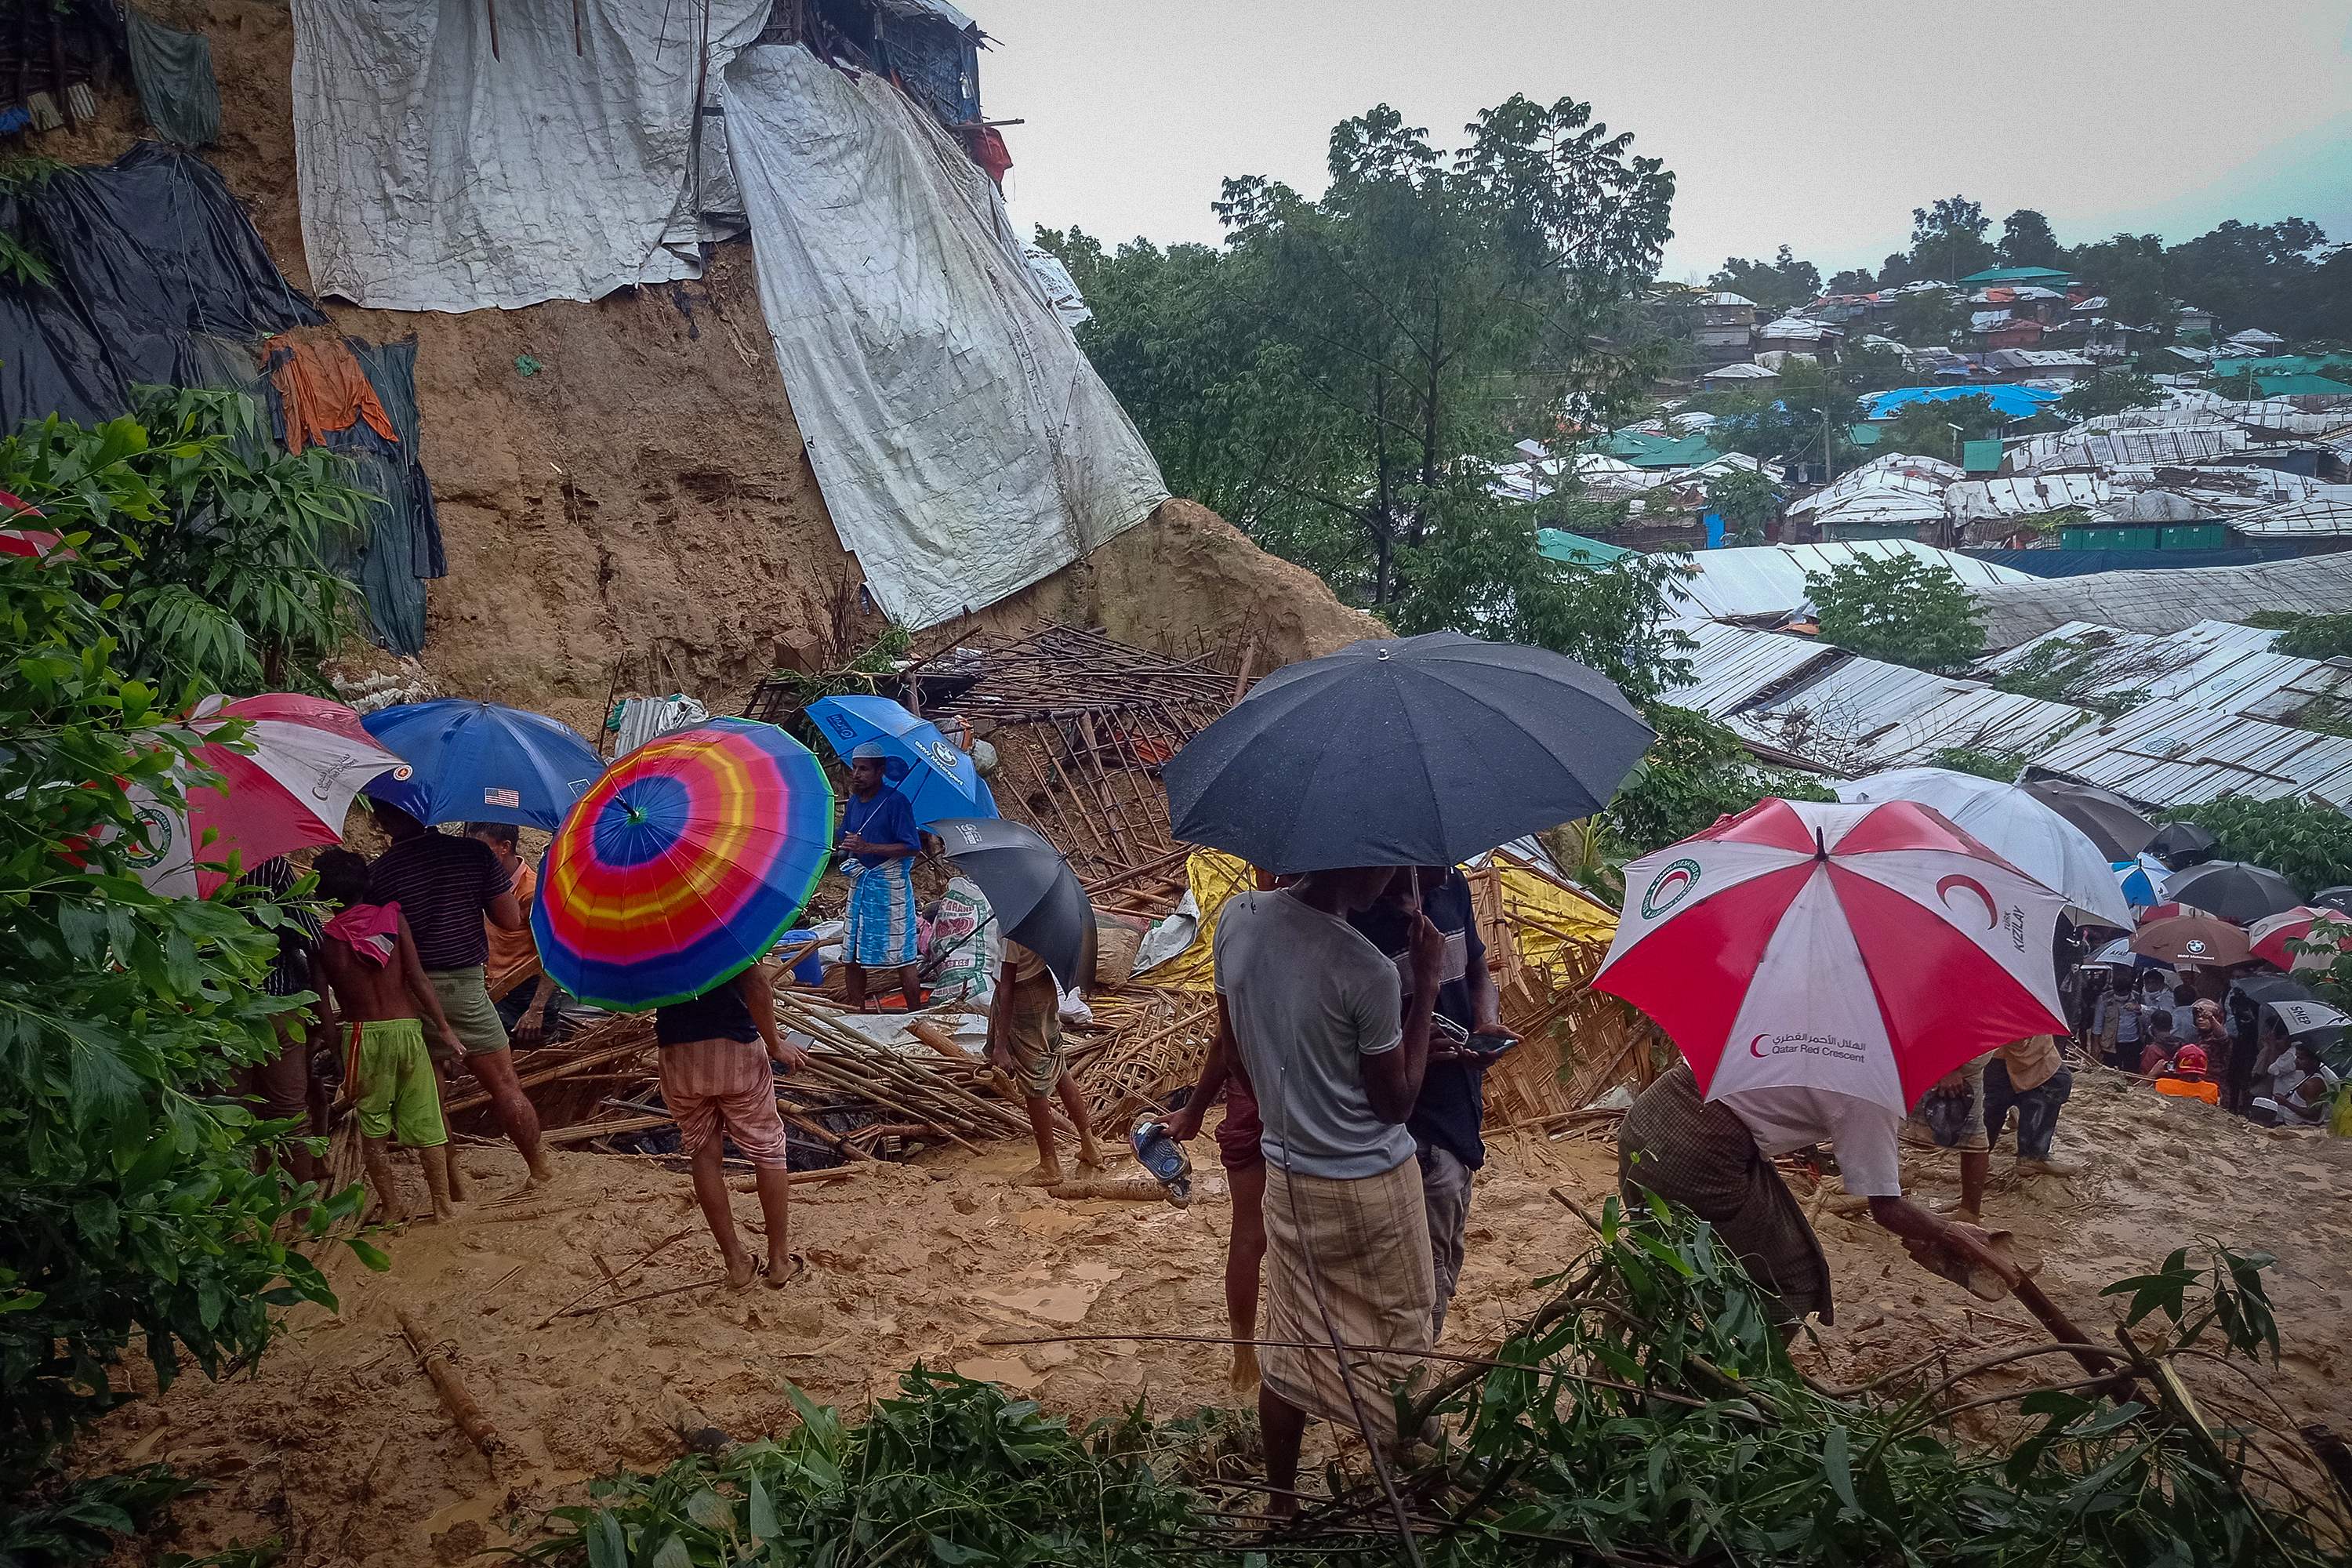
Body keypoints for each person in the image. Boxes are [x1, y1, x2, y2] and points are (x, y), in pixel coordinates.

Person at [1214, 866, 1443, 1514]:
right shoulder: (1367, 969)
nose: (1396, 876)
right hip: (1373, 1190)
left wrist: (1297, 1111)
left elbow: (1235, 1057)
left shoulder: (1238, 919)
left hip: (1289, 1180)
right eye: (1387, 860)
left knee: (1291, 1345)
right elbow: (1396, 1102)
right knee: (1397, 1347)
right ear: (1360, 861)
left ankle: (1280, 1502)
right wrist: (1425, 984)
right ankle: (1421, 1490)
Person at [1619, 1060, 1986, 1333]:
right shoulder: (1873, 1093)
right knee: (1791, 1280)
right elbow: (1886, 1207)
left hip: (1652, 1114)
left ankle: (1639, 1335)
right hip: (1699, 1144)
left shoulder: (1835, 1019)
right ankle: (1733, 1389)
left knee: (1666, 1254)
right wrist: (1950, 1234)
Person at [1346, 866, 1512, 1341]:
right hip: (1410, 1131)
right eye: (1432, 858)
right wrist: (1413, 1027)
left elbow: (1478, 970)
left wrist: (1483, 1022)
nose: (1446, 867)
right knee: (1423, 1282)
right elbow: (1349, 1035)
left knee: (1443, 1262)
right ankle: (1405, 1392)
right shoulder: (1355, 922)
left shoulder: (1452, 888)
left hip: (1462, 1116)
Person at [365, 797, 553, 1190]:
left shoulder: (378, 874)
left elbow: (377, 945)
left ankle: (454, 1186)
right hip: (465, 986)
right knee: (504, 1084)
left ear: (381, 822)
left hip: (409, 996)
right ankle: (539, 1169)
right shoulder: (471, 854)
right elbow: (509, 919)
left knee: (432, 1098)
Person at [310, 849, 463, 1225]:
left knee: (373, 1127)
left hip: (361, 1034)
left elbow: (323, 1008)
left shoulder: (324, 941)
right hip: (408, 1030)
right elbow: (418, 979)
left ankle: (393, 1209)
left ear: (321, 894)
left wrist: (339, 1052)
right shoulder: (393, 921)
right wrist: (444, 1028)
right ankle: (443, 1207)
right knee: (428, 1121)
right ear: (366, 883)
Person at [654, 962, 808, 1288]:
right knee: (768, 1149)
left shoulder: (643, 935)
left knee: (703, 1154)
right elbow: (755, 985)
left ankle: (737, 1264)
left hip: (676, 1053)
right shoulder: (723, 922)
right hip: (734, 1048)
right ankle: (779, 1261)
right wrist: (776, 1044)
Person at [1165, 1007, 1269, 1393]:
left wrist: (1194, 1111)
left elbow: (1225, 1042)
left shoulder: (1238, 950)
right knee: (1310, 1235)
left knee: (1248, 1237)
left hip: (1250, 1106)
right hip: (1309, 1102)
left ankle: (1245, 1356)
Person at [985, 938, 1106, 1186]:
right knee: (1057, 1065)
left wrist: (1000, 1046)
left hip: (1022, 997)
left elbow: (1007, 985)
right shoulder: (1034, 921)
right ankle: (1089, 1143)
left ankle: (1049, 1164)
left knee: (1034, 1082)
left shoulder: (1013, 931)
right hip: (1041, 986)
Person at [236, 855, 325, 1187]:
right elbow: (312, 936)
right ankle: (301, 1214)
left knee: (229, 1115)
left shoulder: (184, 865)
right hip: (277, 1006)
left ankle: (238, 1220)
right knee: (288, 1111)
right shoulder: (266, 862)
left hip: (215, 1012)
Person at [466, 822, 568, 1046]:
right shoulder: (486, 884)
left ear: (505, 847)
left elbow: (556, 952)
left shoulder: (532, 892)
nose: (474, 858)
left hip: (527, 995)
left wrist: (536, 1009)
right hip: (497, 990)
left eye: (482, 849)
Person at [838, 743, 923, 1011]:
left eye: (864, 769)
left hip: (888, 887)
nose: (857, 774)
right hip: (861, 883)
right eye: (855, 768)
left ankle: (913, 1012)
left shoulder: (896, 802)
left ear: (881, 771)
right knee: (851, 951)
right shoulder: (854, 802)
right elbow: (846, 835)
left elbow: (912, 846)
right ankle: (857, 1012)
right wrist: (844, 844)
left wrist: (869, 848)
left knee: (902, 954)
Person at [1908, 1054, 1991, 1225]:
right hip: (1937, 1060)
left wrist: (1951, 1068)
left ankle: (1969, 1212)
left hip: (1956, 1063)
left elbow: (1977, 1032)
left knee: (1972, 1138)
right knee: (1892, 1125)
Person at [1981, 1035, 2079, 1176]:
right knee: (2057, 1082)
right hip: (2017, 1045)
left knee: (1996, 1103)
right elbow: (2020, 1039)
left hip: (1994, 1049)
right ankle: (2033, 1154)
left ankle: (1977, 1154)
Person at [2252, 1041, 2341, 1126]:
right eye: (2296, 1057)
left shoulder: (2312, 1084)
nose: (2296, 1061)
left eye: (2301, 1058)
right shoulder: (2308, 1077)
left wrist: (2286, 1103)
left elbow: (2314, 1116)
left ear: (2314, 1061)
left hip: (2301, 1129)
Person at [2096, 969, 2143, 1072]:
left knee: (2132, 1071)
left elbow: (2147, 1014)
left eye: (2123, 994)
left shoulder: (2137, 997)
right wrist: (2095, 1045)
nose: (2120, 996)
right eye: (2118, 993)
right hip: (2111, 1044)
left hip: (2132, 1042)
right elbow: (2098, 1025)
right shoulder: (2104, 999)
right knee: (2110, 1072)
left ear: (2129, 991)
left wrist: (2137, 1007)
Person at [2154, 1043, 2221, 1105]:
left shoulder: (2162, 1084)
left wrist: (2152, 1074)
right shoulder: (2212, 1090)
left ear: (2178, 1063)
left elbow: (2143, 1093)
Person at [2139, 1011, 2180, 1076]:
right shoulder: (2182, 1045)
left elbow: (2145, 1074)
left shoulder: (2153, 1050)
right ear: (2171, 1026)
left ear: (2152, 1026)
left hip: (2158, 1084)